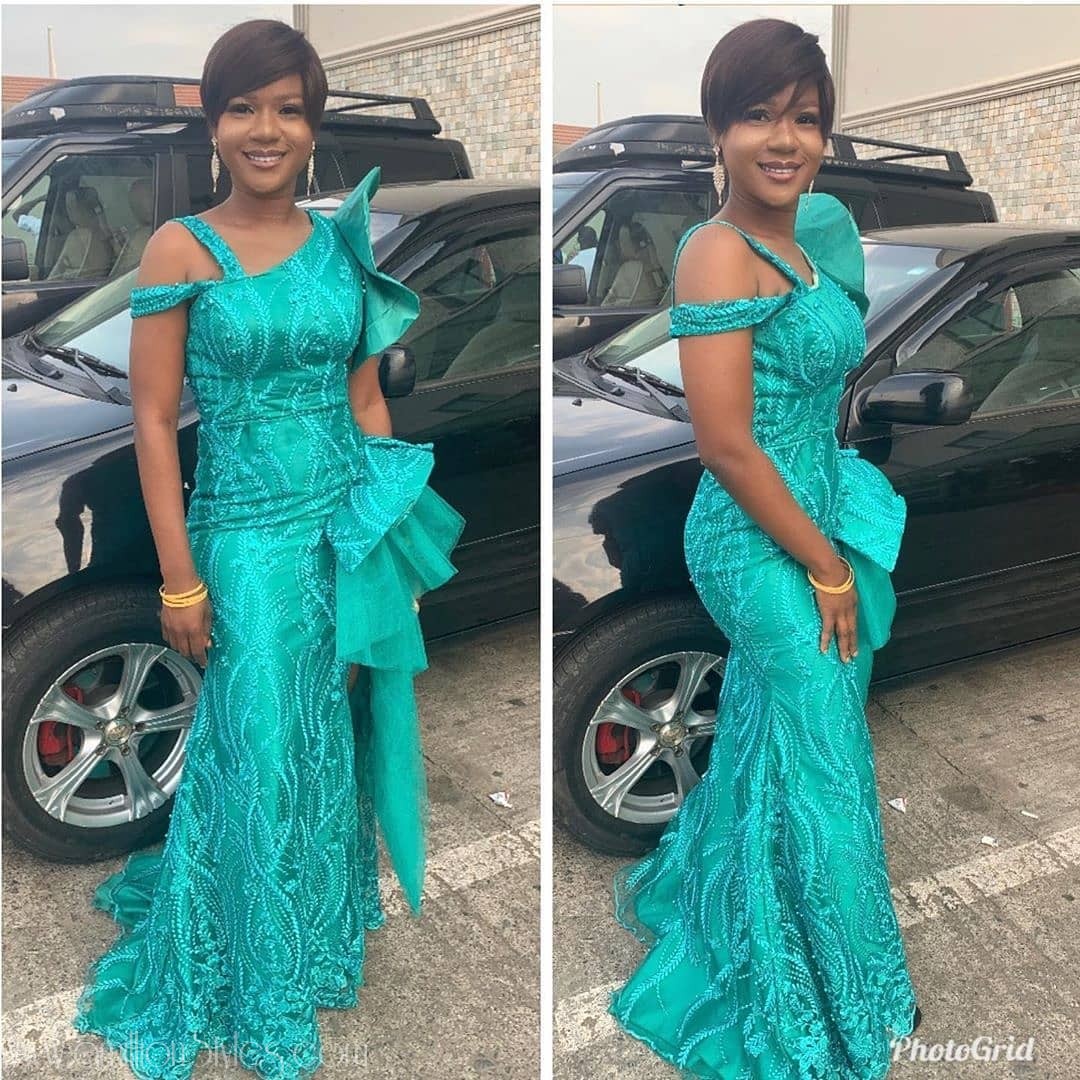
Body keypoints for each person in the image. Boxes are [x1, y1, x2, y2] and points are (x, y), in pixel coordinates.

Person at [70, 19, 463, 1080]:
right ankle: (254, 961)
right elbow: (155, 419)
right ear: (212, 122)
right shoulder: (179, 247)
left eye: (289, 108)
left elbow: (365, 399)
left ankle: (313, 927)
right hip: (243, 538)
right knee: (261, 745)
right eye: (243, 106)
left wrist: (389, 550)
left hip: (342, 531)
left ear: (314, 127)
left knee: (326, 735)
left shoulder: (342, 243)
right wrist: (178, 578)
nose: (266, 128)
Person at [607, 18, 920, 1078]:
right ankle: (832, 989)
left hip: (817, 513)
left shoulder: (808, 240)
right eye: (758, 116)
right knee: (830, 753)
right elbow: (728, 445)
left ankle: (754, 910)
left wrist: (833, 537)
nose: (784, 140)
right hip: (753, 539)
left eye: (806, 119)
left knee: (774, 735)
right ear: (717, 131)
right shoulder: (715, 252)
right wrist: (824, 566)